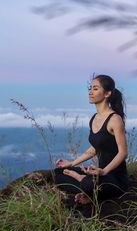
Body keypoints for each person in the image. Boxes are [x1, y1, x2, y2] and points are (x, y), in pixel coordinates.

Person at [54, 74, 129, 204]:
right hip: (97, 174)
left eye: (95, 88)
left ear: (107, 93)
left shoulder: (115, 120)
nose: (90, 92)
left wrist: (104, 170)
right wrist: (72, 163)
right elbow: (95, 148)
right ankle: (86, 186)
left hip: (114, 177)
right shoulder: (94, 118)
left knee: (89, 183)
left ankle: (82, 181)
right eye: (90, 88)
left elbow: (123, 152)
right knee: (59, 173)